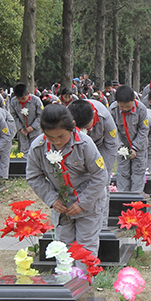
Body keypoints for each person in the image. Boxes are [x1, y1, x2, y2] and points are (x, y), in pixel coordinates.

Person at [26, 104, 110, 257]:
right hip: (62, 205)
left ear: (72, 127)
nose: (57, 142)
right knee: (63, 247)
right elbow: (33, 176)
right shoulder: (38, 147)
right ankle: (66, 280)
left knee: (86, 245)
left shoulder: (84, 144)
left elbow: (100, 175)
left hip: (88, 202)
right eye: (51, 137)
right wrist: (52, 199)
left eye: (61, 136)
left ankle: (84, 280)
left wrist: (82, 203)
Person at [69, 97, 119, 226]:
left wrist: (103, 171)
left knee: (102, 184)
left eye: (87, 127)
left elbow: (111, 145)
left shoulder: (105, 118)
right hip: (77, 149)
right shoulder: (66, 116)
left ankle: (101, 223)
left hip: (100, 148)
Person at [109, 85, 151, 192]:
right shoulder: (112, 110)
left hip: (139, 146)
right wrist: (121, 148)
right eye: (122, 106)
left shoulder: (141, 109)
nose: (125, 109)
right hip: (121, 147)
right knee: (123, 173)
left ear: (133, 100)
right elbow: (112, 131)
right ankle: (123, 199)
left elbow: (144, 130)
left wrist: (135, 148)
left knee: (138, 172)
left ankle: (135, 200)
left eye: (128, 106)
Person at [9, 83, 44, 156]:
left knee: (36, 150)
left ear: (27, 93)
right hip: (23, 132)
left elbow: (41, 115)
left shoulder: (36, 100)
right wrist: (20, 128)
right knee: (24, 152)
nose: (21, 101)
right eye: (19, 99)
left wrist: (33, 127)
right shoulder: (13, 101)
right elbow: (13, 115)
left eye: (23, 99)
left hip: (35, 131)